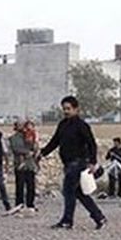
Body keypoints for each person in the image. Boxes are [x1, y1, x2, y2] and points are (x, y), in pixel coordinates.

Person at [39, 95, 106, 230]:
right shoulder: (63, 124)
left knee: (68, 190)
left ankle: (67, 221)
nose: (66, 111)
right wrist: (42, 153)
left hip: (78, 163)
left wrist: (92, 162)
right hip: (68, 163)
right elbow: (55, 141)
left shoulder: (82, 125)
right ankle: (99, 217)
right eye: (64, 109)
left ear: (76, 109)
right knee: (79, 193)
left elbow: (91, 143)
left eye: (68, 109)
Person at [9, 120, 40, 212]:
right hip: (20, 165)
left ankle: (30, 204)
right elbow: (16, 148)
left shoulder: (30, 136)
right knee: (20, 186)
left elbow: (35, 148)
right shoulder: (13, 138)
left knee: (31, 186)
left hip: (30, 165)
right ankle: (19, 204)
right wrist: (27, 152)